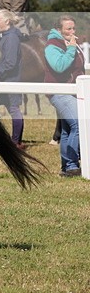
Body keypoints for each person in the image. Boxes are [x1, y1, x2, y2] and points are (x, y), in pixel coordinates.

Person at [44, 15, 84, 177]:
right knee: (78, 124)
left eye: (73, 28)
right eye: (68, 29)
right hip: (59, 91)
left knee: (68, 129)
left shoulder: (69, 43)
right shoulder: (52, 46)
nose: (72, 31)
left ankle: (67, 167)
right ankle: (72, 165)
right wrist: (72, 48)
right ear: (58, 30)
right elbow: (59, 66)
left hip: (72, 91)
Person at [0, 9, 25, 149]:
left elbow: (10, 63)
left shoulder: (11, 37)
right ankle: (16, 140)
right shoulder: (6, 36)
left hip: (10, 79)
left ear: (7, 21)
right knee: (11, 108)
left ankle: (16, 142)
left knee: (13, 109)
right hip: (6, 78)